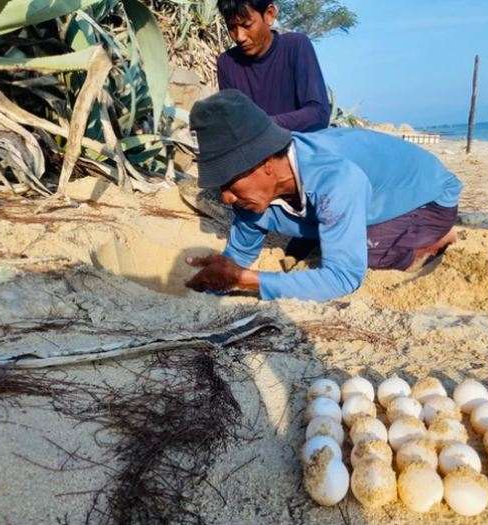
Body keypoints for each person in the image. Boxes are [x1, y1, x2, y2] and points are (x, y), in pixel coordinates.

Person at [185, 90, 462, 303]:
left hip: (428, 199)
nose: (226, 199)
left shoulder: (334, 180)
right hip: (359, 193)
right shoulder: (252, 189)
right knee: (328, 233)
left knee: (369, 255)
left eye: (230, 183)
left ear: (266, 163)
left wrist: (246, 280)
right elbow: (240, 253)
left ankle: (435, 238)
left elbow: (344, 278)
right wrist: (215, 282)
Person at [215, 0, 331, 133]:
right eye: (232, 27)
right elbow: (232, 123)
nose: (240, 37)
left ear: (269, 15)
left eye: (247, 25)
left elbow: (318, 113)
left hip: (298, 146)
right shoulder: (227, 63)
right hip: (254, 151)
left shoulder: (295, 46)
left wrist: (264, 125)